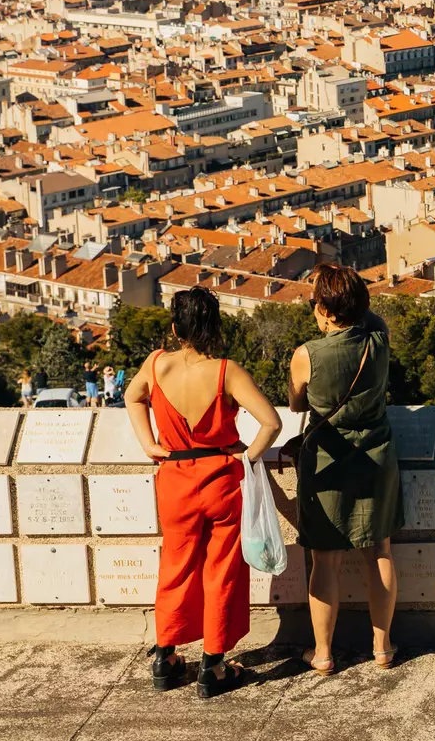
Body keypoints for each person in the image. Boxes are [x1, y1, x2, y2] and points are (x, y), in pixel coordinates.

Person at [125, 287, 281, 698]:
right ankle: (213, 666)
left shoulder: (157, 364)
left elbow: (132, 396)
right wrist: (246, 458)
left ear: (175, 328)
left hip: (174, 476)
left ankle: (166, 655)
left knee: (175, 566)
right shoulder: (227, 372)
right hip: (221, 478)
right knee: (222, 570)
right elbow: (271, 422)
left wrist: (148, 442)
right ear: (214, 327)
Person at [290, 264, 400, 674]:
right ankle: (383, 647)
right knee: (381, 551)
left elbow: (298, 405)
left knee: (326, 561)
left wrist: (325, 293)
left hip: (327, 461)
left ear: (325, 309)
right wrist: (343, 289)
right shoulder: (379, 338)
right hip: (377, 455)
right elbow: (368, 318)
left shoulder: (307, 355)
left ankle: (322, 653)